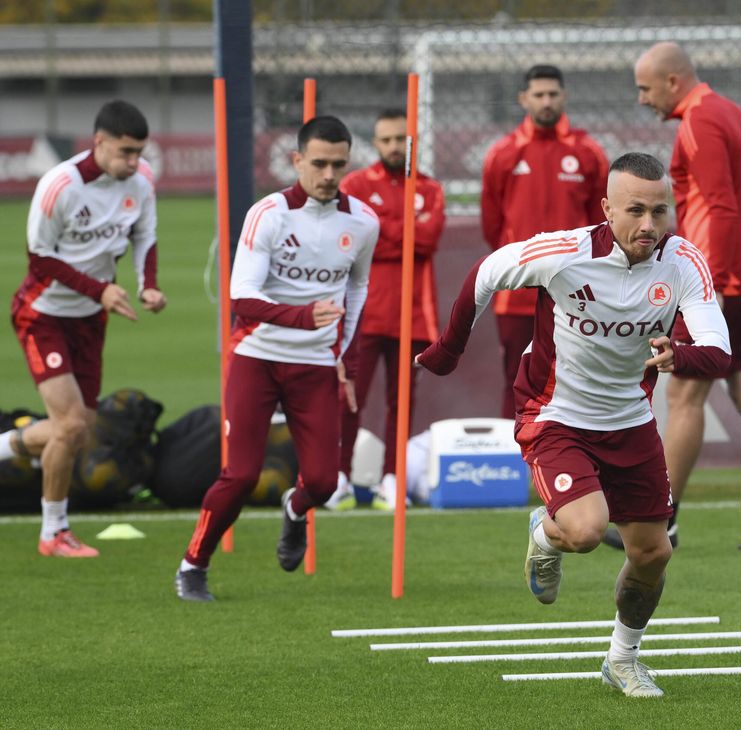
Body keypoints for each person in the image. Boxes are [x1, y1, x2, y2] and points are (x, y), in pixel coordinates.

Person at [417, 153, 731, 697]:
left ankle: (622, 660)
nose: (649, 226)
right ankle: (546, 531)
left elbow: (719, 350)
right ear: (607, 207)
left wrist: (680, 354)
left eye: (660, 212)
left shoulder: (682, 262)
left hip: (630, 422)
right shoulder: (565, 252)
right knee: (585, 532)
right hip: (555, 414)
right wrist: (448, 350)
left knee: (653, 553)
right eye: (635, 210)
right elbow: (486, 272)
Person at [604, 41, 741, 553]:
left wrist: (707, 284)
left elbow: (719, 208)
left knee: (683, 396)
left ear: (672, 81)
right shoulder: (729, 111)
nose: (642, 100)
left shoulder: (700, 122)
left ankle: (661, 520)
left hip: (726, 278)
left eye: (645, 88)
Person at [175, 116, 378, 601]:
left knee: (326, 484)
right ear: (297, 161)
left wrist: (341, 356)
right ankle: (193, 564)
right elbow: (240, 295)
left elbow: (358, 287)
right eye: (319, 163)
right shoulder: (268, 213)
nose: (329, 174)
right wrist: (302, 316)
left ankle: (295, 510)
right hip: (257, 357)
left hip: (315, 368)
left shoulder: (364, 221)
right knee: (240, 476)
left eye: (339, 165)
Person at [0, 100, 166, 558]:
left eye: (139, 153)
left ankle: (6, 444)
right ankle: (54, 532)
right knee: (70, 427)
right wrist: (100, 290)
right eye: (126, 152)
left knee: (77, 429)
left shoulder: (142, 179)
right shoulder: (60, 185)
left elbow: (144, 236)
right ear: (99, 142)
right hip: (43, 313)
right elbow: (40, 257)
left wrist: (147, 285)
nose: (134, 162)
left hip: (89, 319)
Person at [324, 109, 446, 511]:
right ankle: (339, 477)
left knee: (402, 399)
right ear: (375, 144)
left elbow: (426, 240)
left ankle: (392, 479)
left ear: (413, 142)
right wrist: (403, 228)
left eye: (402, 139)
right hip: (363, 311)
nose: (395, 146)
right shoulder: (356, 184)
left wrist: (385, 227)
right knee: (348, 395)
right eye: (387, 139)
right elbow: (357, 240)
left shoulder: (429, 189)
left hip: (412, 313)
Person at [481, 64, 609, 418]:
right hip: (517, 293)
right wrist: (520, 267)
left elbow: (603, 224)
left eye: (553, 94)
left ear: (564, 96)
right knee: (516, 377)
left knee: (579, 378)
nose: (547, 101)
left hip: (576, 291)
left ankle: (574, 461)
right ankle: (516, 463)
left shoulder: (589, 152)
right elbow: (492, 225)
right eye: (539, 95)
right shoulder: (503, 154)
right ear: (524, 99)